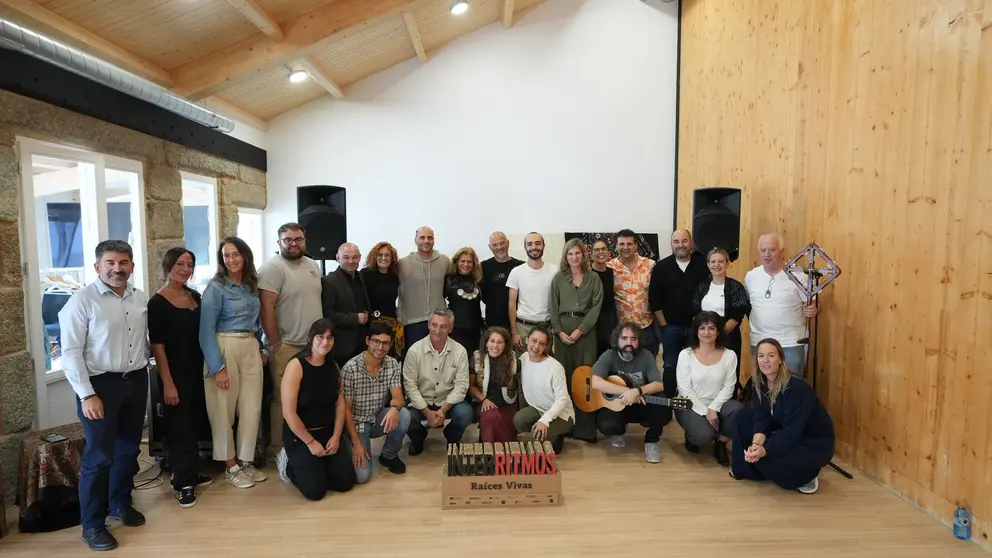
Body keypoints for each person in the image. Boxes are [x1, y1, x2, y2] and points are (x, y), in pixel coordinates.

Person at [59, 240, 149, 551]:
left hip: (136, 382)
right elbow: (70, 353)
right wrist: (87, 395)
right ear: (98, 267)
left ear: (132, 266)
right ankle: (93, 524)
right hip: (100, 387)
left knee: (128, 450)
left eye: (123, 262)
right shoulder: (82, 301)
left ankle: (120, 504)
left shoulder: (139, 299)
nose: (117, 268)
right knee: (99, 457)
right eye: (110, 263)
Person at [199, 237, 267, 489]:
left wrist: (260, 346)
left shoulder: (251, 286)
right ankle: (231, 466)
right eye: (227, 256)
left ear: (245, 256)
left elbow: (256, 321)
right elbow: (205, 331)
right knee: (222, 411)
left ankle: (246, 460)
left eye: (236, 254)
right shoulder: (215, 288)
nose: (232, 260)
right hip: (224, 346)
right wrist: (218, 367)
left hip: (250, 345)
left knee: (252, 408)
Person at [148, 247, 211, 509]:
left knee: (195, 424)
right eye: (180, 264)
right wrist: (169, 383)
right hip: (176, 374)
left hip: (199, 371)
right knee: (180, 428)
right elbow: (158, 346)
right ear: (168, 266)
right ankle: (184, 483)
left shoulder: (194, 295)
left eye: (189, 264)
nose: (185, 269)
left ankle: (192, 472)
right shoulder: (157, 302)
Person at [731, 338, 835, 494]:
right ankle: (751, 466)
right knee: (742, 417)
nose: (765, 360)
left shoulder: (798, 388)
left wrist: (765, 450)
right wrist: (757, 444)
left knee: (769, 459)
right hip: (783, 432)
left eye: (771, 355)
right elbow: (761, 418)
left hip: (809, 441)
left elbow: (791, 431)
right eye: (761, 356)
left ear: (780, 359)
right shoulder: (758, 383)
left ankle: (809, 474)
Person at [275, 319, 358, 500]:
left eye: (330, 338)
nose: (325, 342)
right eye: (320, 337)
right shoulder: (296, 366)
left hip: (328, 434)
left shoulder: (333, 366)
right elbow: (289, 413)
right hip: (301, 437)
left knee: (345, 483)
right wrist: (311, 443)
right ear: (311, 338)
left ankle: (319, 465)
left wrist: (336, 437)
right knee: (316, 492)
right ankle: (287, 464)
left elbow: (339, 403)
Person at [258, 223, 323, 450]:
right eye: (288, 240)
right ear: (279, 243)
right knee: (281, 399)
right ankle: (279, 449)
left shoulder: (313, 265)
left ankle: (303, 443)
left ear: (305, 240)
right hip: (286, 346)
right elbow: (266, 307)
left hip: (313, 347)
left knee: (309, 396)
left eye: (298, 239)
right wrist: (275, 342)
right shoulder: (272, 268)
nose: (294, 243)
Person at [341, 322, 410, 483]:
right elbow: (346, 411)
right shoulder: (350, 368)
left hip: (377, 418)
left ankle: (388, 455)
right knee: (362, 477)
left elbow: (398, 397)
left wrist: (394, 408)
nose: (380, 347)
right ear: (367, 341)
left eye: (385, 343)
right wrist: (356, 442)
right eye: (376, 342)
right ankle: (349, 446)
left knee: (404, 415)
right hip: (356, 425)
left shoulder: (392, 364)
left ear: (390, 344)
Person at [549, 239, 602, 443]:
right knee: (564, 377)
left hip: (586, 334)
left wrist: (581, 330)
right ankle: (565, 426)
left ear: (584, 255)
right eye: (570, 254)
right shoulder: (558, 279)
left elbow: (596, 307)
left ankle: (585, 429)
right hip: (562, 333)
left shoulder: (594, 278)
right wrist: (559, 332)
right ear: (565, 256)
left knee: (585, 379)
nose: (574, 257)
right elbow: (553, 308)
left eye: (577, 253)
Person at [590, 322, 666, 463]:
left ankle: (651, 442)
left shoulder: (646, 356)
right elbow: (595, 382)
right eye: (624, 338)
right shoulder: (609, 355)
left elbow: (659, 384)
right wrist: (627, 391)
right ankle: (618, 432)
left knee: (662, 405)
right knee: (607, 425)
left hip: (640, 403)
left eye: (633, 338)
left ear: (639, 341)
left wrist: (637, 391)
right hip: (617, 405)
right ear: (617, 340)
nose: (629, 342)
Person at [744, 234, 817, 378]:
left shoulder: (799, 275)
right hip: (759, 342)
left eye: (772, 250)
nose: (767, 254)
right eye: (763, 250)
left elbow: (814, 304)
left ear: (782, 251)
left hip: (790, 343)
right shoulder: (751, 277)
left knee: (792, 389)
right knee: (762, 388)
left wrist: (814, 309)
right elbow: (747, 306)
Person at [675, 311, 743, 466]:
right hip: (689, 404)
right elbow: (684, 389)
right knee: (704, 436)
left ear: (718, 331)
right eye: (702, 328)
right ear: (696, 331)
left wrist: (713, 408)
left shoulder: (730, 355)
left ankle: (721, 443)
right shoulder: (685, 354)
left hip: (718, 403)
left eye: (711, 328)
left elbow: (729, 386)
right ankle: (692, 435)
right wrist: (706, 412)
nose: (707, 332)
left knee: (738, 411)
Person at [648, 229, 709, 401]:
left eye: (684, 241)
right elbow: (654, 298)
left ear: (690, 243)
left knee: (695, 367)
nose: (680, 245)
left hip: (697, 328)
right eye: (676, 241)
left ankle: (695, 404)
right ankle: (668, 404)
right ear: (671, 244)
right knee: (670, 365)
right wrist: (664, 325)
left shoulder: (702, 265)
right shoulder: (661, 267)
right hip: (671, 327)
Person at [403, 309, 473, 455]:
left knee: (465, 413)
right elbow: (410, 386)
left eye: (443, 326)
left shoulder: (460, 351)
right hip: (422, 401)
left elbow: (461, 385)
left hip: (448, 402)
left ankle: (452, 438)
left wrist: (443, 409)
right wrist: (426, 412)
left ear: (451, 328)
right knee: (406, 417)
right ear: (428, 325)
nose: (438, 330)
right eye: (434, 325)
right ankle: (418, 438)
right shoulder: (414, 351)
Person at [691, 248, 750, 391]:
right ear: (708, 264)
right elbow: (695, 311)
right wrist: (706, 335)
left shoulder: (735, 287)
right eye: (713, 261)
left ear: (727, 264)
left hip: (728, 336)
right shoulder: (702, 286)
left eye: (721, 261)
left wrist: (718, 335)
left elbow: (737, 315)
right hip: (704, 337)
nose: (717, 265)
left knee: (727, 375)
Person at [514, 327, 574, 454]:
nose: (536, 346)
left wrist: (544, 420)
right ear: (527, 340)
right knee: (518, 420)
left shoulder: (555, 367)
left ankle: (557, 433)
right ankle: (549, 434)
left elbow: (562, 400)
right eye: (534, 341)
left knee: (534, 438)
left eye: (541, 343)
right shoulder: (524, 358)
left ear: (546, 346)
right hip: (538, 409)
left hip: (562, 414)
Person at [606, 229, 659, 354]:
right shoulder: (609, 267)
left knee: (648, 364)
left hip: (645, 327)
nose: (625, 247)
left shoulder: (650, 265)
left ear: (636, 245)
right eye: (622, 244)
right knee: (622, 368)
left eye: (629, 244)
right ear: (616, 245)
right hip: (620, 329)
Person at [397, 226, 450, 348]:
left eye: (430, 238)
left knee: (439, 361)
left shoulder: (444, 261)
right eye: (422, 237)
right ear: (415, 240)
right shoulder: (403, 263)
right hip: (412, 322)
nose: (426, 241)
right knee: (414, 362)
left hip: (439, 321)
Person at [321, 242, 371, 369]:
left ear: (360, 258)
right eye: (346, 257)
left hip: (362, 343)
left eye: (355, 257)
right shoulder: (329, 281)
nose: (351, 261)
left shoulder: (361, 277)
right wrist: (355, 318)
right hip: (342, 346)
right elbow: (328, 314)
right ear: (337, 258)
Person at [507, 232, 558, 352]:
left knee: (545, 365)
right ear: (525, 247)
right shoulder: (516, 272)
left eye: (537, 243)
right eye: (529, 244)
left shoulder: (554, 271)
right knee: (523, 367)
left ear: (544, 245)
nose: (534, 247)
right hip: (523, 328)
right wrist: (514, 332)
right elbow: (511, 304)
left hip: (547, 327)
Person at [468, 327, 519, 443]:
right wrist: (483, 399)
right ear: (486, 342)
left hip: (507, 404)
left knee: (507, 443)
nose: (495, 346)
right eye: (492, 341)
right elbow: (471, 386)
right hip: (484, 402)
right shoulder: (477, 357)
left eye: (500, 342)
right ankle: (488, 455)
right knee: (490, 417)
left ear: (506, 344)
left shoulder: (513, 359)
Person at [360, 241, 404, 358]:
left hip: (390, 323)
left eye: (387, 255)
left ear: (392, 258)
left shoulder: (395, 276)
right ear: (375, 257)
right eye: (380, 255)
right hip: (370, 324)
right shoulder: (365, 274)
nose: (383, 258)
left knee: (388, 357)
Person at [445, 246, 484, 355]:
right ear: (457, 262)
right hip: (455, 329)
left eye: (469, 262)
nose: (466, 265)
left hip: (475, 328)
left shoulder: (479, 280)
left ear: (474, 263)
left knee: (474, 360)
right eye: (462, 261)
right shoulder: (449, 280)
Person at [480, 231, 523, 329]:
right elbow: (482, 294)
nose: (499, 247)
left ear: (508, 243)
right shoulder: (484, 267)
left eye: (502, 243)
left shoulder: (520, 266)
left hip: (518, 322)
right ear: (490, 247)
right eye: (495, 245)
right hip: (493, 322)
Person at [590, 240, 618, 357]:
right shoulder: (587, 273)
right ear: (591, 254)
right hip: (593, 321)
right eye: (596, 250)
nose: (600, 252)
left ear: (608, 253)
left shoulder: (612, 272)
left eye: (603, 249)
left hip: (609, 320)